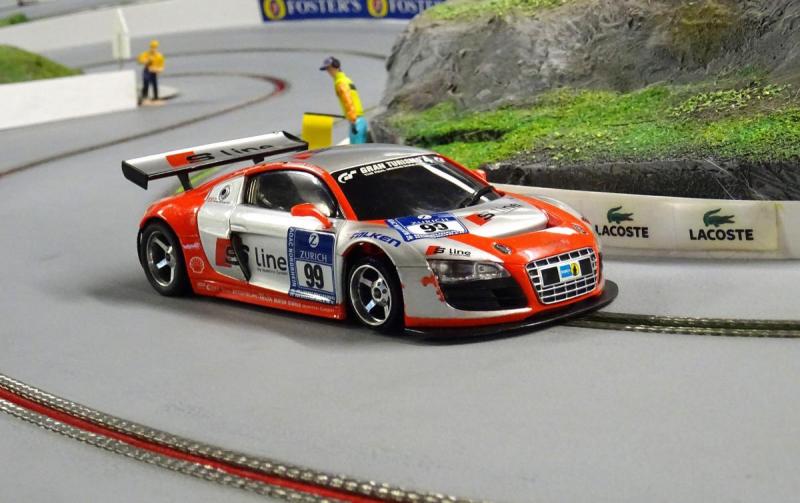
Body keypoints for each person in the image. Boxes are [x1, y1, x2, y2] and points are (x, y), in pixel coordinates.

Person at [320, 57, 368, 144]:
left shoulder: (340, 83)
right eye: (327, 70)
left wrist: (352, 120)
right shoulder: (347, 80)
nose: (328, 72)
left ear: (336, 67)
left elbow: (347, 101)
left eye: (329, 69)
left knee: (356, 149)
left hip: (355, 121)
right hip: (361, 120)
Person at [137, 40, 165, 104]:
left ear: (157, 48)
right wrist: (146, 61)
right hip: (147, 70)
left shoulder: (159, 56)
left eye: (154, 47)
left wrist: (157, 69)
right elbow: (140, 60)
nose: (153, 49)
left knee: (155, 84)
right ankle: (144, 96)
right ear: (150, 47)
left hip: (153, 71)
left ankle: (156, 97)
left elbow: (161, 66)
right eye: (152, 47)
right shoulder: (146, 54)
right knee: (146, 82)